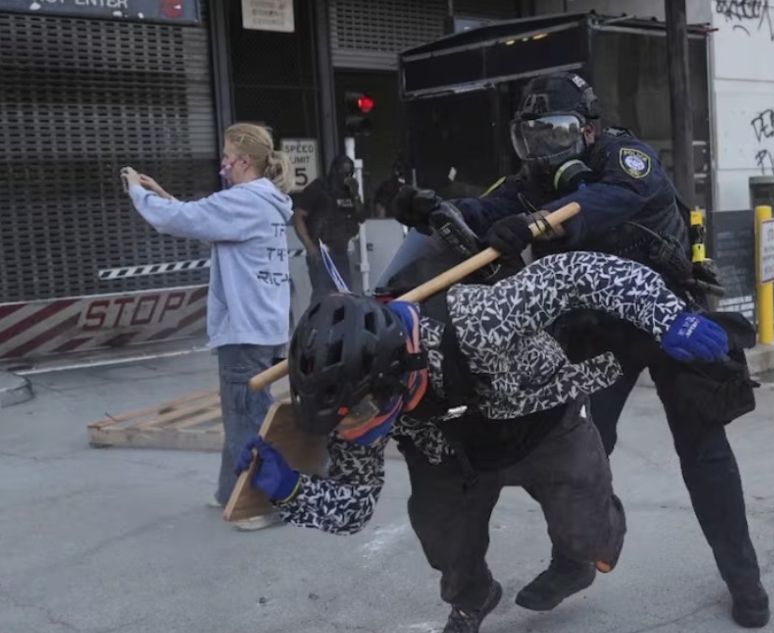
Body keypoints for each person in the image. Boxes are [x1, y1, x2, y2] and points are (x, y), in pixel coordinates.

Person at [391, 72, 770, 628]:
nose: (543, 152)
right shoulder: (529, 184)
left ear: (589, 131)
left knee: (704, 450)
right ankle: (576, 558)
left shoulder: (629, 158)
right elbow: (482, 213)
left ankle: (746, 583)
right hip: (596, 331)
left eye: (557, 136)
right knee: (576, 448)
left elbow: (613, 198)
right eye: (532, 139)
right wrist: (432, 211)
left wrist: (537, 224)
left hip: (668, 316)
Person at [236, 251, 732, 633]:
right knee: (443, 540)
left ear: (397, 372)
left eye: (359, 416)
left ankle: (581, 552)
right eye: (339, 423)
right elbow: (354, 508)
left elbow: (576, 273)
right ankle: (473, 598)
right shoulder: (354, 403)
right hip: (449, 451)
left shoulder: (479, 319)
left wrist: (663, 314)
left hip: (543, 424)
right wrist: (289, 491)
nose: (352, 432)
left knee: (587, 536)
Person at [121, 122, 294, 532]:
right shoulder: (265, 202)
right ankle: (228, 492)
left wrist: (136, 190)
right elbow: (202, 220)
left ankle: (258, 504)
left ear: (244, 161)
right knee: (245, 413)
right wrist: (164, 196)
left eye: (226, 157)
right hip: (266, 326)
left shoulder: (243, 201)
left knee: (244, 419)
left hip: (244, 328)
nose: (223, 165)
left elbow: (179, 221)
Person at [293, 155, 367, 299]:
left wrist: (355, 195)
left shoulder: (349, 191)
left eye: (350, 173)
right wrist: (310, 247)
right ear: (335, 171)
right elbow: (298, 218)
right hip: (322, 252)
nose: (347, 177)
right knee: (323, 297)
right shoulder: (318, 188)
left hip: (342, 251)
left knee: (345, 296)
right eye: (344, 173)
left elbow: (361, 217)